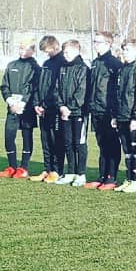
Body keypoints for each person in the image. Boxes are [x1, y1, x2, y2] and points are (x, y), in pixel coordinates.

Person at [85, 32, 124, 190]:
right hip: (96, 110)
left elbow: (117, 90)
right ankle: (102, 175)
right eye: (95, 41)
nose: (95, 44)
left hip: (109, 111)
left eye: (99, 42)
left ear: (108, 44)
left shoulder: (114, 63)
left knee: (112, 144)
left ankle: (111, 177)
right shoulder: (95, 62)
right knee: (102, 144)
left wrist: (115, 112)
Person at [0, 39, 40, 179]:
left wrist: (23, 103)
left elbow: (34, 88)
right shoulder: (11, 65)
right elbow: (4, 85)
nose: (23, 51)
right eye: (21, 48)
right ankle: (12, 166)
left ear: (33, 51)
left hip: (26, 109)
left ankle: (24, 167)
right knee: (9, 136)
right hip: (12, 108)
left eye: (26, 49)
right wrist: (9, 100)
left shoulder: (35, 68)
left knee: (26, 136)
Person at [113, 38, 136, 193]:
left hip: (133, 117)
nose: (125, 53)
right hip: (121, 116)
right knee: (126, 150)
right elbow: (117, 95)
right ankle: (128, 178)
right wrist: (115, 115)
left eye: (128, 50)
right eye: (124, 50)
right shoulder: (121, 70)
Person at [28, 36, 64, 183]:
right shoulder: (46, 64)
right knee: (45, 140)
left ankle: (56, 170)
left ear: (55, 46)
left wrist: (47, 104)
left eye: (47, 50)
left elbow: (57, 88)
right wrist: (36, 103)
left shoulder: (62, 63)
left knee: (56, 141)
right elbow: (40, 85)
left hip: (54, 108)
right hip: (43, 109)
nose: (46, 53)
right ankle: (47, 169)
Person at [55, 39, 90, 187]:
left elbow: (82, 91)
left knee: (79, 143)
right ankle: (70, 172)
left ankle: (81, 173)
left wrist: (69, 107)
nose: (65, 55)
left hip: (78, 112)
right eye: (64, 52)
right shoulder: (63, 68)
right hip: (65, 112)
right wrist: (61, 106)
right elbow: (57, 88)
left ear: (76, 51)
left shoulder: (83, 68)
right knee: (67, 142)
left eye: (67, 52)